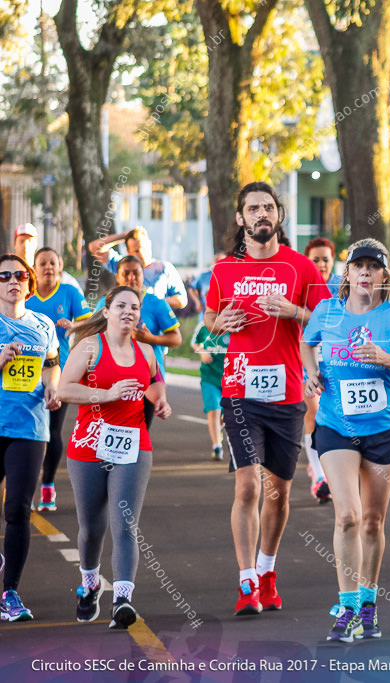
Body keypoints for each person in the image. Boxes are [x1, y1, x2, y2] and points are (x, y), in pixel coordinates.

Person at [205, 181, 331, 616]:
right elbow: (209, 317)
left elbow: (327, 322)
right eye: (252, 208)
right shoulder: (224, 270)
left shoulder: (301, 268)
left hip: (287, 393)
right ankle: (245, 583)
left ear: (279, 215)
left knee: (277, 492)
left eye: (268, 207)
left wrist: (295, 312)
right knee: (246, 487)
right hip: (239, 390)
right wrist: (219, 321)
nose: (261, 214)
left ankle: (266, 571)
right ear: (240, 218)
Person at [300, 238, 390, 642]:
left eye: (374, 267)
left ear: (384, 275)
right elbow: (307, 341)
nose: (366, 274)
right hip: (336, 424)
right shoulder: (327, 311)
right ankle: (349, 606)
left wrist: (386, 359)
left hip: (384, 428)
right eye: (360, 267)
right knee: (347, 516)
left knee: (373, 521)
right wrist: (311, 373)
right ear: (349, 273)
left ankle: (369, 603)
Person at [58, 285, 172, 628]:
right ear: (106, 311)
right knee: (91, 528)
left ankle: (122, 600)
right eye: (120, 305)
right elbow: (64, 389)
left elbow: (153, 382)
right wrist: (106, 393)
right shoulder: (89, 347)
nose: (128, 312)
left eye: (134, 307)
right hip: (89, 445)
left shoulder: (146, 351)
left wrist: (160, 400)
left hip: (133, 445)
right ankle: (90, 586)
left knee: (125, 525)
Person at [0, 254, 60, 622]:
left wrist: (53, 389)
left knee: (18, 509)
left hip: (29, 428)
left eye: (20, 275)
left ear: (29, 283)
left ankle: (10, 593)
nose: (13, 280)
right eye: (4, 275)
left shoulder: (43, 325)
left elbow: (52, 363)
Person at [26, 247, 92, 512]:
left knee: (52, 431)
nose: (48, 267)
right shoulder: (26, 297)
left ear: (61, 266)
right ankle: (27, 486)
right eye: (42, 263)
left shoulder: (70, 293)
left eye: (53, 263)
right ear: (35, 268)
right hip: (27, 376)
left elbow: (91, 324)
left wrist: (75, 326)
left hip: (59, 372)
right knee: (30, 432)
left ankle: (48, 485)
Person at [93, 255, 181, 430]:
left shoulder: (157, 303)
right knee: (109, 429)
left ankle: (138, 457)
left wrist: (150, 339)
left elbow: (176, 338)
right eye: (126, 273)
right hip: (112, 374)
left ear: (143, 275)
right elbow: (93, 333)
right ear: (117, 276)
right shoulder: (106, 302)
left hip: (148, 377)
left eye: (136, 273)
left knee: (139, 432)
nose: (131, 277)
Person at [301, 238, 342, 503]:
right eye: (315, 259)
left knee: (334, 415)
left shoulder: (341, 286)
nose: (321, 264)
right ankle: (318, 476)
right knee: (313, 411)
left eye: (325, 259)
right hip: (307, 355)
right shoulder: (302, 287)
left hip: (339, 358)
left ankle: (331, 467)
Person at [89, 226, 188, 310]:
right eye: (136, 251)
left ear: (149, 244)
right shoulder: (123, 266)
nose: (141, 254)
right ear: (128, 251)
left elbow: (182, 300)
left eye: (143, 248)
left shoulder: (164, 268)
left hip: (155, 327)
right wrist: (124, 236)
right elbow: (94, 247)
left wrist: (155, 302)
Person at [191, 320, 229, 461]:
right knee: (214, 409)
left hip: (229, 377)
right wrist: (202, 351)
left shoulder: (233, 324)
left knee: (225, 415)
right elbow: (194, 342)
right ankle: (217, 446)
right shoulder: (204, 325)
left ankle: (219, 428)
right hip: (209, 376)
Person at [15, 224, 84, 294]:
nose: (26, 245)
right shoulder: (9, 273)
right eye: (22, 241)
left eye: (29, 240)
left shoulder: (67, 282)